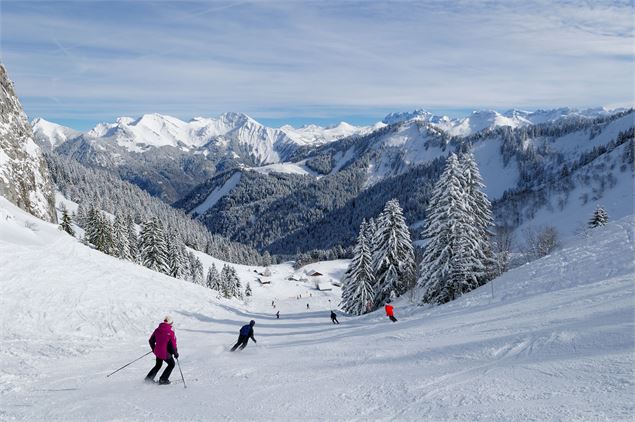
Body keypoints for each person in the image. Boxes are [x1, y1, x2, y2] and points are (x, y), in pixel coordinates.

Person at [145, 315, 179, 385]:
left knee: (158, 365)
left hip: (157, 352)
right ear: (170, 323)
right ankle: (163, 379)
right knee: (171, 364)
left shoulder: (157, 329)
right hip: (164, 353)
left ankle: (148, 378)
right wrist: (175, 353)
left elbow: (151, 340)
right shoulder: (171, 332)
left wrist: (154, 349)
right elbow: (173, 345)